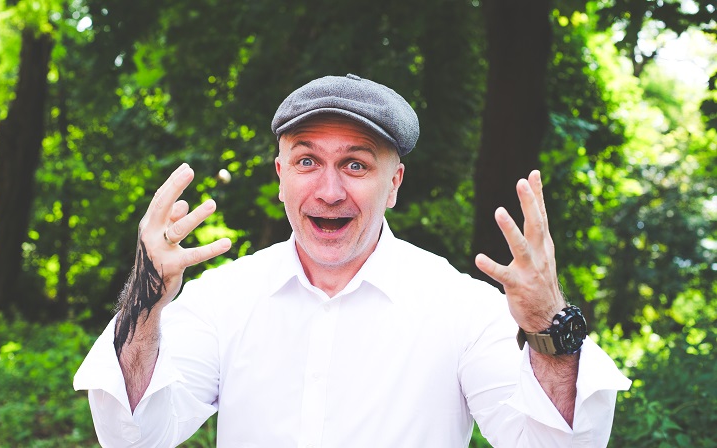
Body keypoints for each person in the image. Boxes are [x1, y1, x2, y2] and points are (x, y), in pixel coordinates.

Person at [74, 74, 631, 447]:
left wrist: (548, 324)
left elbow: (560, 443)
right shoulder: (225, 299)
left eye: (356, 165)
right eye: (307, 161)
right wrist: (145, 299)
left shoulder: (460, 307)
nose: (329, 190)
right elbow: (133, 435)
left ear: (395, 183)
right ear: (280, 177)